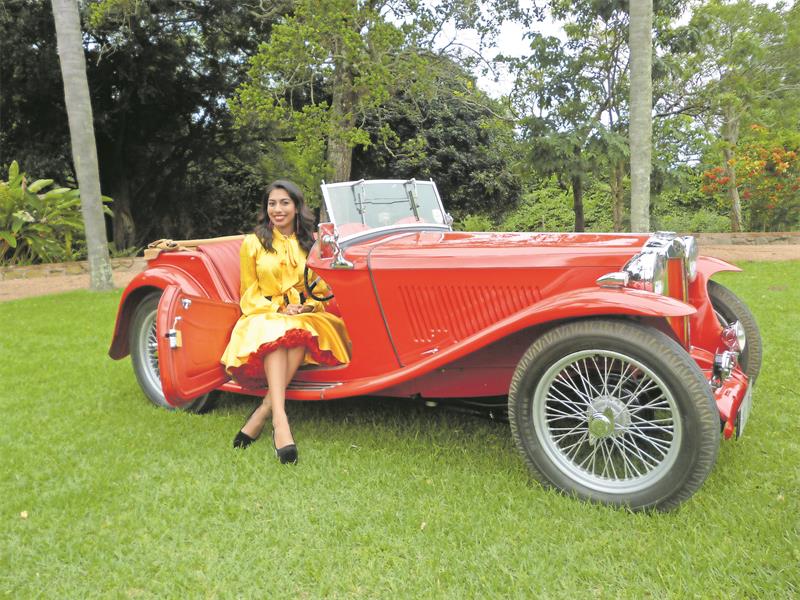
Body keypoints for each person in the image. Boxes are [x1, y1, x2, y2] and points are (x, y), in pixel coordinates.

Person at [221, 180, 350, 463]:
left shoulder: (311, 243)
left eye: (284, 203)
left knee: (298, 330)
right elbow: (249, 292)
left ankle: (263, 411)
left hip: (302, 314)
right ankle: (280, 421)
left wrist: (307, 305)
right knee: (280, 331)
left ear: (296, 206)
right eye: (272, 204)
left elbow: (319, 288)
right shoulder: (253, 242)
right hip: (263, 312)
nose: (277, 209)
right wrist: (279, 308)